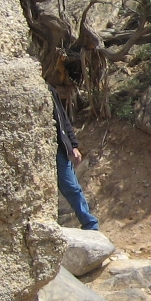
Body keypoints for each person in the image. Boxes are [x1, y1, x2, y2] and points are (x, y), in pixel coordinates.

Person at [50, 85, 99, 231]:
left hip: (58, 148)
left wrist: (73, 145)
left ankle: (90, 224)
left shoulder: (50, 91)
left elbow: (63, 120)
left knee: (72, 187)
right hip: (40, 149)